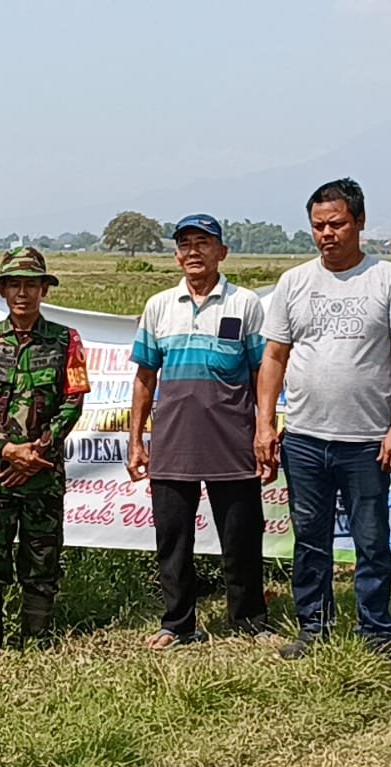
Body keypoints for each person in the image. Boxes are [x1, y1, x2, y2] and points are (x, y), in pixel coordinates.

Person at [256, 178, 391, 658]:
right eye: (318, 226)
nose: (327, 234)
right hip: (305, 437)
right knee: (310, 538)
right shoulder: (295, 282)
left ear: (361, 223)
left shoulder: (388, 280)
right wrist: (266, 423)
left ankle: (376, 632)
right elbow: (274, 358)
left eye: (337, 224)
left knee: (371, 541)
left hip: (367, 440)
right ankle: (314, 627)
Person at [128, 214, 272, 649]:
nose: (194, 251)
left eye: (204, 243)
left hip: (234, 441)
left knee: (241, 536)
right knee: (173, 539)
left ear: (222, 252)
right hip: (172, 442)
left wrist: (265, 429)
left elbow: (263, 372)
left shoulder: (245, 304)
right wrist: (136, 439)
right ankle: (177, 624)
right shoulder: (159, 306)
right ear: (176, 256)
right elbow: (145, 378)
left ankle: (249, 621)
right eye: (186, 244)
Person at [0, 248, 89, 649]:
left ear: (44, 289)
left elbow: (73, 398)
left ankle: (38, 642)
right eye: (15, 285)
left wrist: (36, 453)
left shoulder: (66, 340)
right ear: (2, 291)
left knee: (42, 564)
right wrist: (8, 449)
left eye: (31, 285)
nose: (23, 293)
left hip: (42, 474)